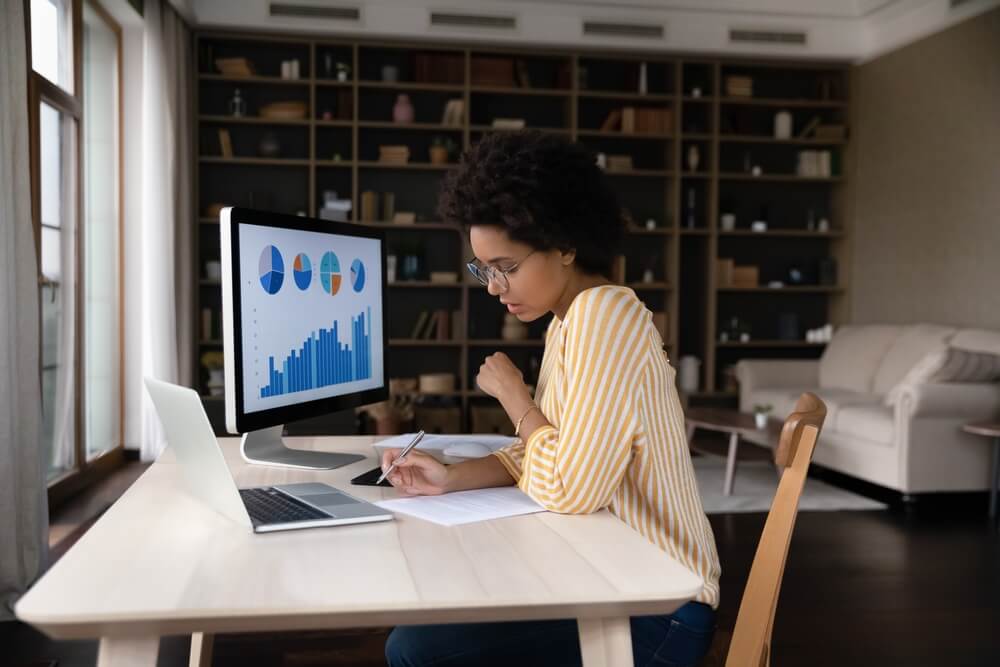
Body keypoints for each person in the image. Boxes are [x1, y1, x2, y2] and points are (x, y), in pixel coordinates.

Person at [382, 131, 721, 667]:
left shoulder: (603, 316)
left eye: (507, 267)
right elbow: (549, 450)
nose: (494, 287)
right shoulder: (568, 321)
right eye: (483, 269)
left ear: (566, 244)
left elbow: (569, 487)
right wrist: (450, 478)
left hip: (660, 606)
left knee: (416, 649)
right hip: (614, 577)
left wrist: (516, 396)